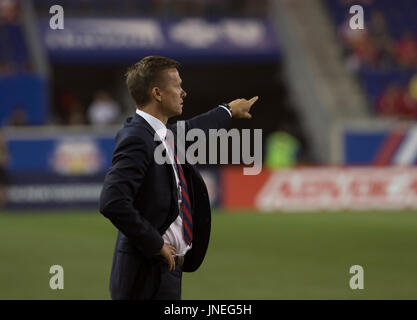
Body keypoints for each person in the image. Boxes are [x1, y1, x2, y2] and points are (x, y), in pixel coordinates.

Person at [99, 56, 258, 300]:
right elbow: (113, 201)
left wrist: (228, 111)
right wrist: (155, 244)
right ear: (157, 93)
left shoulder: (161, 134)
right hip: (145, 274)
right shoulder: (136, 138)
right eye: (177, 85)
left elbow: (196, 127)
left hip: (167, 269)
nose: (183, 92)